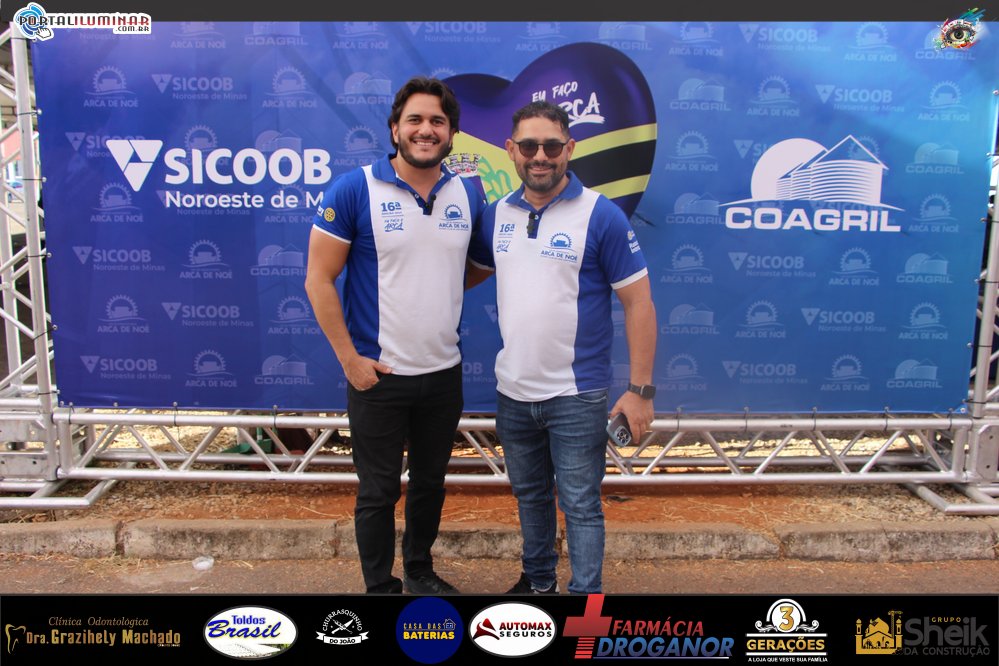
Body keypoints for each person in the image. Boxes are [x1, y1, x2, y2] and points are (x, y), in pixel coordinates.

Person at [467, 100, 657, 594]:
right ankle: (538, 584)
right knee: (530, 497)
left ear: (569, 148)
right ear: (511, 150)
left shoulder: (601, 215)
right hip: (513, 393)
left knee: (580, 505)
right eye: (529, 146)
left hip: (577, 396)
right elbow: (462, 275)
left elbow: (639, 303)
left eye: (551, 146)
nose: (540, 156)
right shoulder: (496, 215)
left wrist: (640, 390)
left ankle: (585, 605)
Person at [305, 76, 485, 594]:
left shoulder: (469, 192)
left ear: (452, 134)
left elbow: (475, 266)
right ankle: (380, 588)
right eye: (415, 120)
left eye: (438, 121)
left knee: (430, 484)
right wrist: (350, 360)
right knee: (379, 491)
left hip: (443, 373)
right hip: (378, 375)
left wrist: (435, 287)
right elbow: (318, 279)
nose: (426, 130)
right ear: (394, 129)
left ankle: (421, 574)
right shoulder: (354, 188)